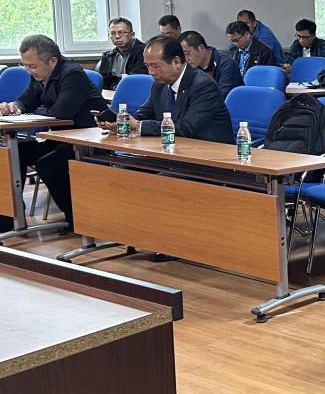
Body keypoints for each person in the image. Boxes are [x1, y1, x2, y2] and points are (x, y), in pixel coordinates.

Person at [0, 35, 106, 234]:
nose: (28, 70)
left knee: (49, 164)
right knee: (12, 155)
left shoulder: (72, 74)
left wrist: (35, 112)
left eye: (32, 66)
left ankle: (77, 218)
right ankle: (8, 217)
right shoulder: (40, 74)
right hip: (58, 137)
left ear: (52, 60)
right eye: (25, 66)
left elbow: (61, 112)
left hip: (87, 139)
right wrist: (14, 107)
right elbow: (26, 101)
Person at [96, 36, 233, 144]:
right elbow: (145, 113)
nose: (150, 72)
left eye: (155, 66)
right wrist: (121, 122)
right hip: (173, 148)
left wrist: (137, 126)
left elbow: (186, 127)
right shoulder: (160, 84)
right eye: (147, 66)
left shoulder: (203, 85)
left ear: (176, 62)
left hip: (209, 154)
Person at [180, 30, 243, 99]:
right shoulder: (191, 68)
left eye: (187, 54)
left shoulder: (227, 64)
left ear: (201, 48)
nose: (186, 59)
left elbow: (221, 96)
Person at [96, 17, 147, 90]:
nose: (117, 37)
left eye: (121, 32)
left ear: (132, 34)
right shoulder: (108, 56)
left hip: (137, 90)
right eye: (113, 33)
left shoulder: (144, 52)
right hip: (112, 92)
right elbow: (104, 82)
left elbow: (136, 79)